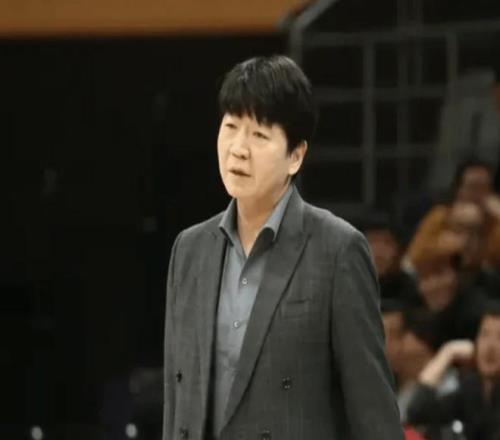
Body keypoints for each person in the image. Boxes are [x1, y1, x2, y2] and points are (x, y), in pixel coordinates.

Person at [162, 55, 403, 440]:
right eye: (231, 127)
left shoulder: (338, 250)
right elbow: (177, 404)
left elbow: (374, 413)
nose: (238, 149)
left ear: (295, 155)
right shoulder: (189, 250)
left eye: (259, 135)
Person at [407, 301, 500, 440]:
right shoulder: (472, 388)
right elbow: (417, 414)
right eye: (484, 334)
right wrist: (448, 352)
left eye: (499, 337)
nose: (490, 347)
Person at [404, 159, 500, 272]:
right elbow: (413, 258)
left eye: (485, 188)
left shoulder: (493, 219)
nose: (479, 194)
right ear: (459, 189)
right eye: (473, 187)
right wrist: (455, 243)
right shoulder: (441, 215)